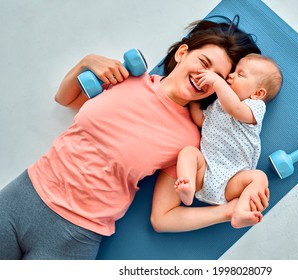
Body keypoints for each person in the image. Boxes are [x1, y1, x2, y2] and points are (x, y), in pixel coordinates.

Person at [0, 17, 266, 260]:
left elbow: (163, 218)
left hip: (75, 234)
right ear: (183, 53)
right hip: (23, 197)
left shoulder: (189, 139)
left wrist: (228, 212)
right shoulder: (126, 78)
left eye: (219, 77)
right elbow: (65, 99)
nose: (205, 78)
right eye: (204, 63)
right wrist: (86, 62)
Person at [151, 54, 282, 231]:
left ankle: (240, 212)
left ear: (258, 93)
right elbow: (201, 121)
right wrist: (194, 102)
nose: (231, 76)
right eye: (233, 72)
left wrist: (217, 83)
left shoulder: (254, 107)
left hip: (232, 178)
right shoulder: (218, 105)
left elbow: (235, 108)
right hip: (204, 172)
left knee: (259, 177)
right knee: (189, 152)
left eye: (240, 74)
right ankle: (187, 186)